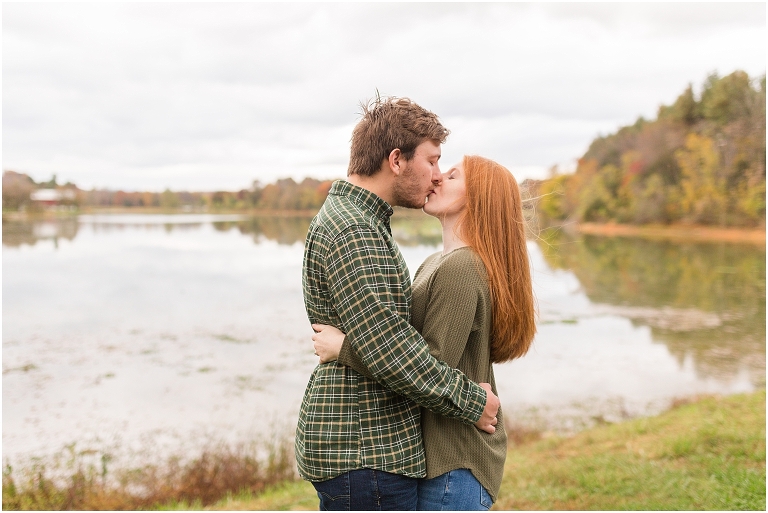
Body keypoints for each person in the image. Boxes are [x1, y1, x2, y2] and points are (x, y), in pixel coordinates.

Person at [297, 96, 501, 511]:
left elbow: (388, 343)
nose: (437, 174)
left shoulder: (363, 223)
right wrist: (473, 402)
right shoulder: (355, 231)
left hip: (369, 447)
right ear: (396, 160)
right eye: (432, 160)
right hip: (367, 447)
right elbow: (393, 353)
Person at [312, 155, 536, 510]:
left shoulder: (462, 267)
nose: (436, 178)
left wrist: (345, 348)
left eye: (451, 175)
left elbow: (425, 365)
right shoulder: (436, 262)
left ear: (478, 199)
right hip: (439, 456)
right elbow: (404, 347)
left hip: (455, 460)